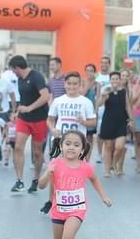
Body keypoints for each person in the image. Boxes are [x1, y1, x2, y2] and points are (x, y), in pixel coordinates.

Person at [38, 131, 112, 239]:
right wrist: (47, 173)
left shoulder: (85, 167)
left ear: (83, 149)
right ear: (61, 146)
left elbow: (94, 179)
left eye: (76, 145)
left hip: (77, 209)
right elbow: (41, 185)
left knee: (67, 238)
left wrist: (103, 196)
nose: (71, 147)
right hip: (58, 210)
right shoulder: (55, 164)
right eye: (68, 144)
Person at [40, 71, 97, 212]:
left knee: (74, 174)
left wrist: (83, 121)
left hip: (77, 145)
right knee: (54, 172)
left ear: (80, 85)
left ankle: (72, 202)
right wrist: (52, 129)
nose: (72, 86)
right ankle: (51, 201)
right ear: (65, 84)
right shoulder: (58, 101)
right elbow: (50, 119)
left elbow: (93, 122)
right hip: (59, 141)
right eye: (69, 83)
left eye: (75, 84)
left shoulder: (86, 102)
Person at [8, 55, 50, 193]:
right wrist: (16, 111)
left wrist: (30, 108)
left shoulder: (36, 76)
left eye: (13, 69)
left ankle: (36, 179)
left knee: (37, 152)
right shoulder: (20, 79)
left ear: (17, 68)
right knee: (18, 147)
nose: (13, 72)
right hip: (24, 118)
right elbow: (24, 98)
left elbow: (45, 96)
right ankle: (19, 181)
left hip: (39, 118)